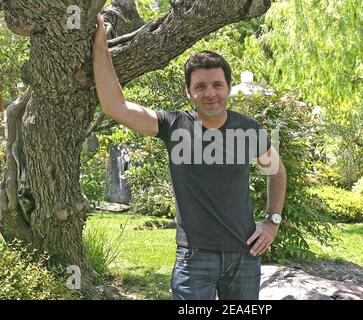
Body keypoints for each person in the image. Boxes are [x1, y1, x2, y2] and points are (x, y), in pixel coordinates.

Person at [93, 14, 287, 300]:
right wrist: (100, 44)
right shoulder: (173, 125)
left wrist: (272, 221)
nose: (210, 93)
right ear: (189, 92)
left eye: (217, 85)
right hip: (194, 258)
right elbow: (115, 106)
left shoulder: (249, 130)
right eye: (200, 86)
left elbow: (277, 172)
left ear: (228, 88)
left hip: (244, 255)